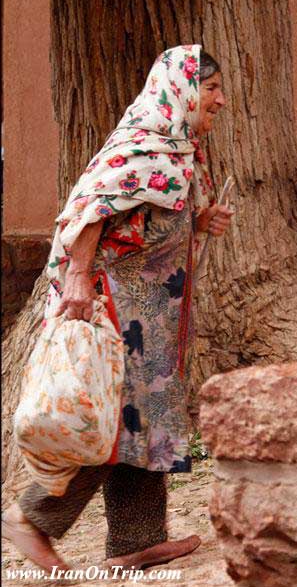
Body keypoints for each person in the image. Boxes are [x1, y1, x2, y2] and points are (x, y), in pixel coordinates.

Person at [2, 45, 233, 572]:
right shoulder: (141, 145)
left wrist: (199, 225)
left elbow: (142, 222)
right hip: (117, 307)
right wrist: (79, 277)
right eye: (212, 88)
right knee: (113, 419)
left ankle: (135, 540)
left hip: (151, 314)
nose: (222, 99)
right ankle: (31, 518)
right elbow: (87, 211)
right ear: (182, 90)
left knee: (146, 418)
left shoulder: (179, 150)